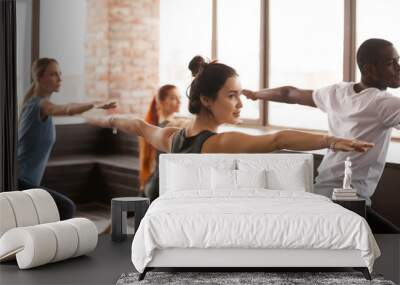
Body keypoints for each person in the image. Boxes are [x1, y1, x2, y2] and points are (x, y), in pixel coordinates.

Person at [242, 38, 400, 207]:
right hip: (350, 199)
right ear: (369, 69)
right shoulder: (385, 103)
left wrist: (256, 94)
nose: (398, 68)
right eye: (391, 63)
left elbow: (288, 94)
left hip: (322, 190)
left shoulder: (338, 92)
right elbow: (288, 93)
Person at [18, 58, 116, 220]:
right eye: (53, 74)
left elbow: (69, 105)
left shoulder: (38, 104)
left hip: (27, 182)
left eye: (60, 73)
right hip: (20, 181)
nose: (60, 78)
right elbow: (67, 109)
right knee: (66, 208)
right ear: (39, 77)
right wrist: (93, 104)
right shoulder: (38, 105)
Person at [140, 84, 186, 201]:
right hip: (160, 187)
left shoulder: (155, 127)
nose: (179, 101)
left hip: (153, 184)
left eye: (179, 98)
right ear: (160, 102)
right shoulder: (167, 129)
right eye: (173, 98)